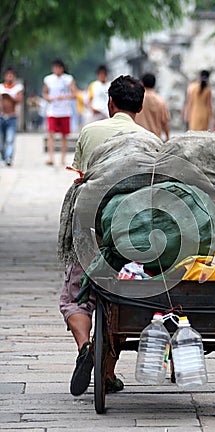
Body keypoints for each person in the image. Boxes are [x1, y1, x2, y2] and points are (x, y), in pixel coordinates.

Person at [62, 75, 156, 397]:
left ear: (110, 103)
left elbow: (81, 177)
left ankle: (85, 346)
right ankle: (108, 372)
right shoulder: (150, 141)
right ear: (140, 107)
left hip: (91, 229)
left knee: (75, 297)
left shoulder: (90, 132)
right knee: (117, 298)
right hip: (132, 232)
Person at [43, 59, 77, 166]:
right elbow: (45, 93)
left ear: (62, 68)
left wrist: (64, 97)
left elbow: (75, 93)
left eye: (59, 67)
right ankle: (51, 157)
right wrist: (49, 98)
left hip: (65, 111)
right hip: (52, 111)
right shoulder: (48, 79)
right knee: (51, 134)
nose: (57, 70)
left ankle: (63, 158)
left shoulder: (68, 79)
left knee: (64, 136)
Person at [0, 67, 24, 166]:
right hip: (1, 116)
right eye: (8, 75)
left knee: (10, 139)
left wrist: (9, 97)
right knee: (1, 140)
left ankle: (9, 157)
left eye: (11, 75)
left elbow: (19, 100)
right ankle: (4, 156)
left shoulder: (18, 88)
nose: (9, 77)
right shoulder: (1, 87)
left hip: (12, 117)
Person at [135, 73, 170, 140]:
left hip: (139, 138)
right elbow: (165, 122)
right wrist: (167, 137)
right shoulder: (160, 101)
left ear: (142, 83)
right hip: (155, 139)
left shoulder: (137, 99)